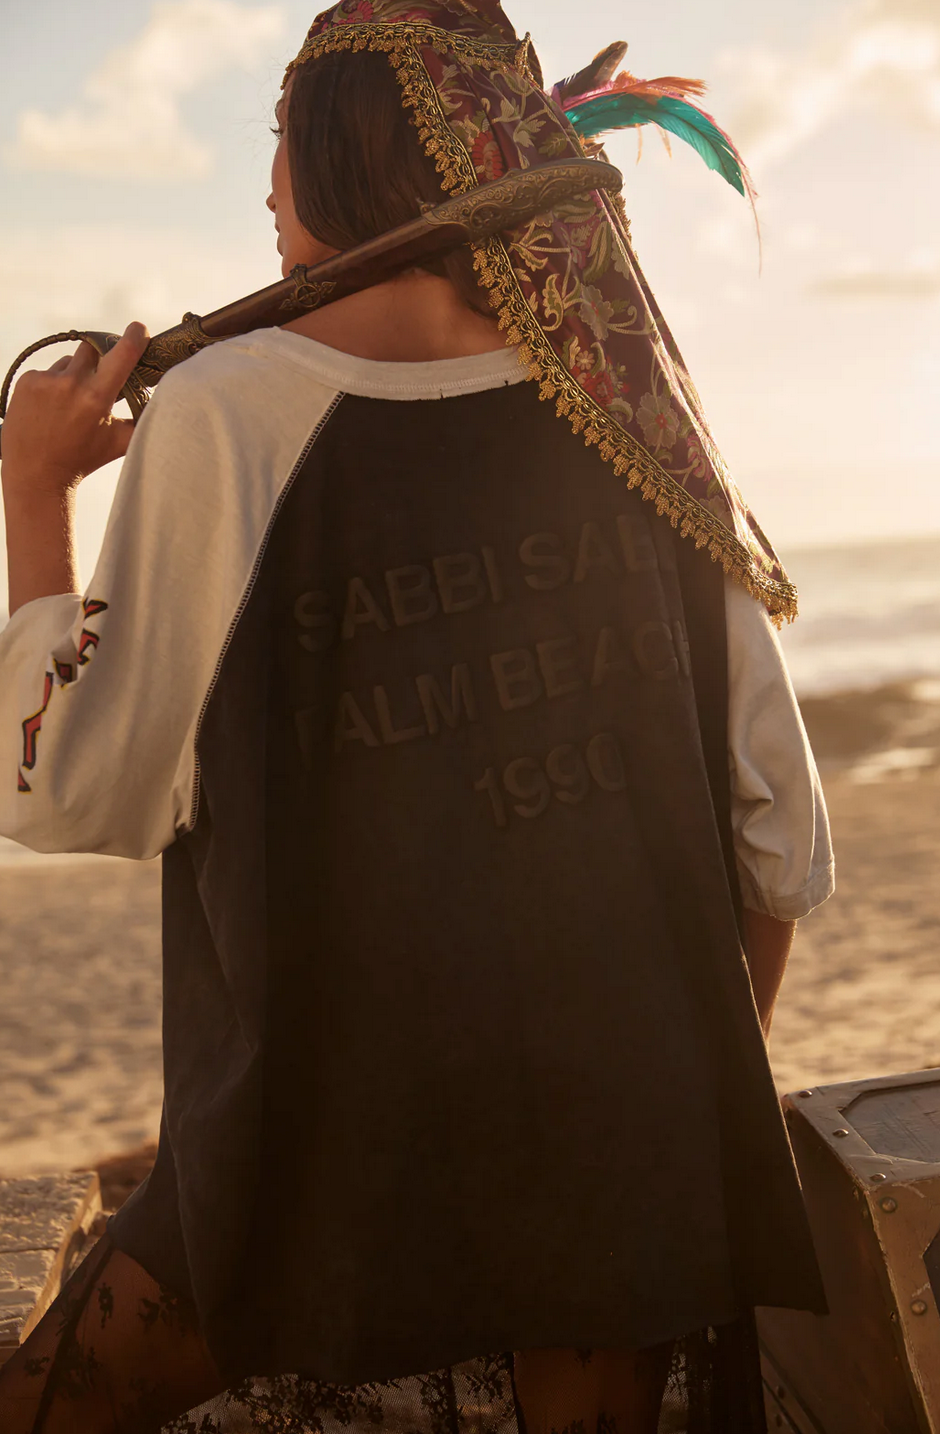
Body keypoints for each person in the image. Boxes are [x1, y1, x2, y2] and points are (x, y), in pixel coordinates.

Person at [0, 3, 834, 1431]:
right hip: (617, 1195)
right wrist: (678, 1130)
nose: (263, 186)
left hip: (302, 1184)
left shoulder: (223, 413)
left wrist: (32, 499)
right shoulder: (627, 398)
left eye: (275, 137)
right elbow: (784, 845)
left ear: (342, 148)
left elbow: (67, 793)